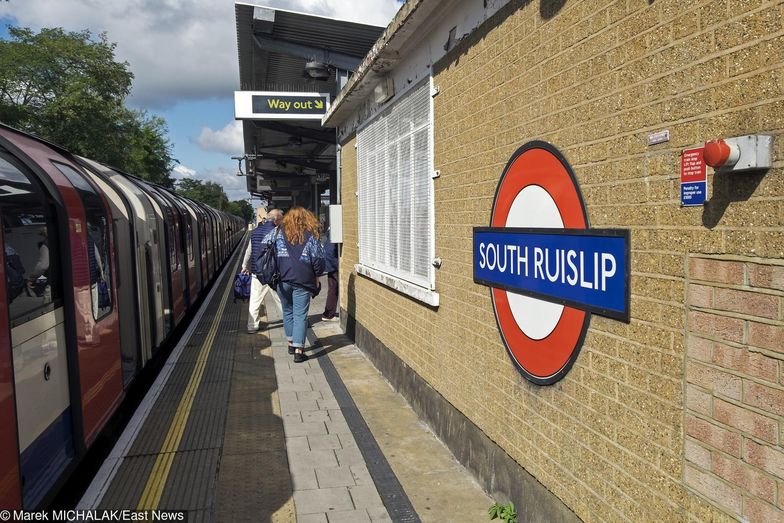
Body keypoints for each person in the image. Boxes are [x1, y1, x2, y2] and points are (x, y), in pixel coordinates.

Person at [262, 207, 324, 363]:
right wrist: (317, 276)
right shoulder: (310, 237)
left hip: (281, 279)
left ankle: (290, 343)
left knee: (287, 312)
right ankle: (298, 350)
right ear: (306, 220)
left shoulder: (276, 233)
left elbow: (264, 246)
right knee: (300, 315)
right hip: (303, 280)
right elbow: (318, 260)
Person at [242, 208, 282, 333]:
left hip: (257, 272)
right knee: (280, 300)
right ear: (276, 220)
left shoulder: (255, 232)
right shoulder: (276, 232)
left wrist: (245, 266)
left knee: (255, 301)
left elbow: (249, 251)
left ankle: (252, 326)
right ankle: (289, 322)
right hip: (272, 273)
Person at [321, 226, 339, 321]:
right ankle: (328, 314)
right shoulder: (338, 227)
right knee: (334, 288)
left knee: (333, 288)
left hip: (329, 260)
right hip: (333, 261)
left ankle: (328, 314)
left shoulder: (331, 228)